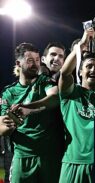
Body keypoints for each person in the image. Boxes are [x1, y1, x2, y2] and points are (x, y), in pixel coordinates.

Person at [0, 42, 63, 183]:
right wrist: (10, 122)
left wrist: (29, 108)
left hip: (49, 156)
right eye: (30, 61)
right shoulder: (8, 92)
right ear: (18, 62)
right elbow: (2, 128)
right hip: (22, 156)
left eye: (36, 60)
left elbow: (54, 98)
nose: (35, 64)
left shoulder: (45, 81)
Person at [58, 28, 95, 183]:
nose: (93, 69)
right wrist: (81, 45)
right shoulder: (70, 94)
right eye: (89, 66)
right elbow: (64, 73)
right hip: (72, 163)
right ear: (79, 71)